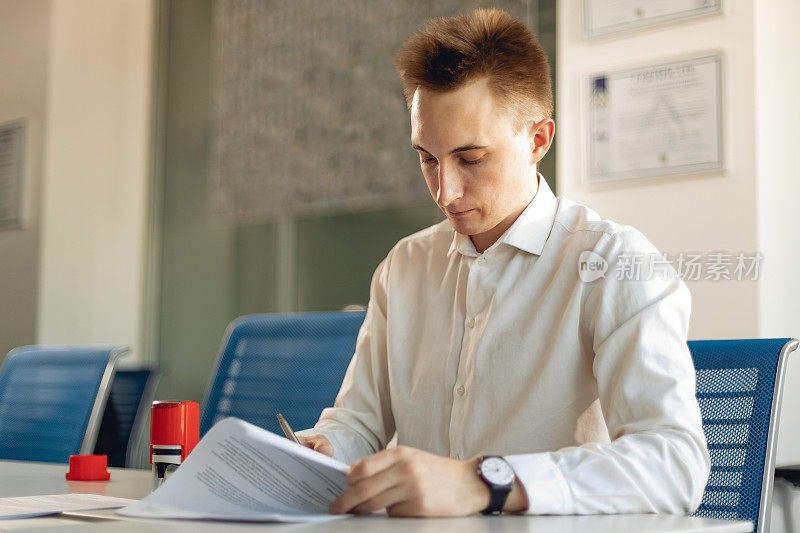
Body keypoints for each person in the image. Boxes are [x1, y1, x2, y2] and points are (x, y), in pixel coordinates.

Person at [296, 8, 710, 518]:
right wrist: (325, 449)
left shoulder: (614, 263)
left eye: (471, 158)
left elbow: (674, 464)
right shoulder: (405, 266)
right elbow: (359, 424)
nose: (445, 190)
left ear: (537, 140)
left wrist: (483, 481)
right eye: (427, 157)